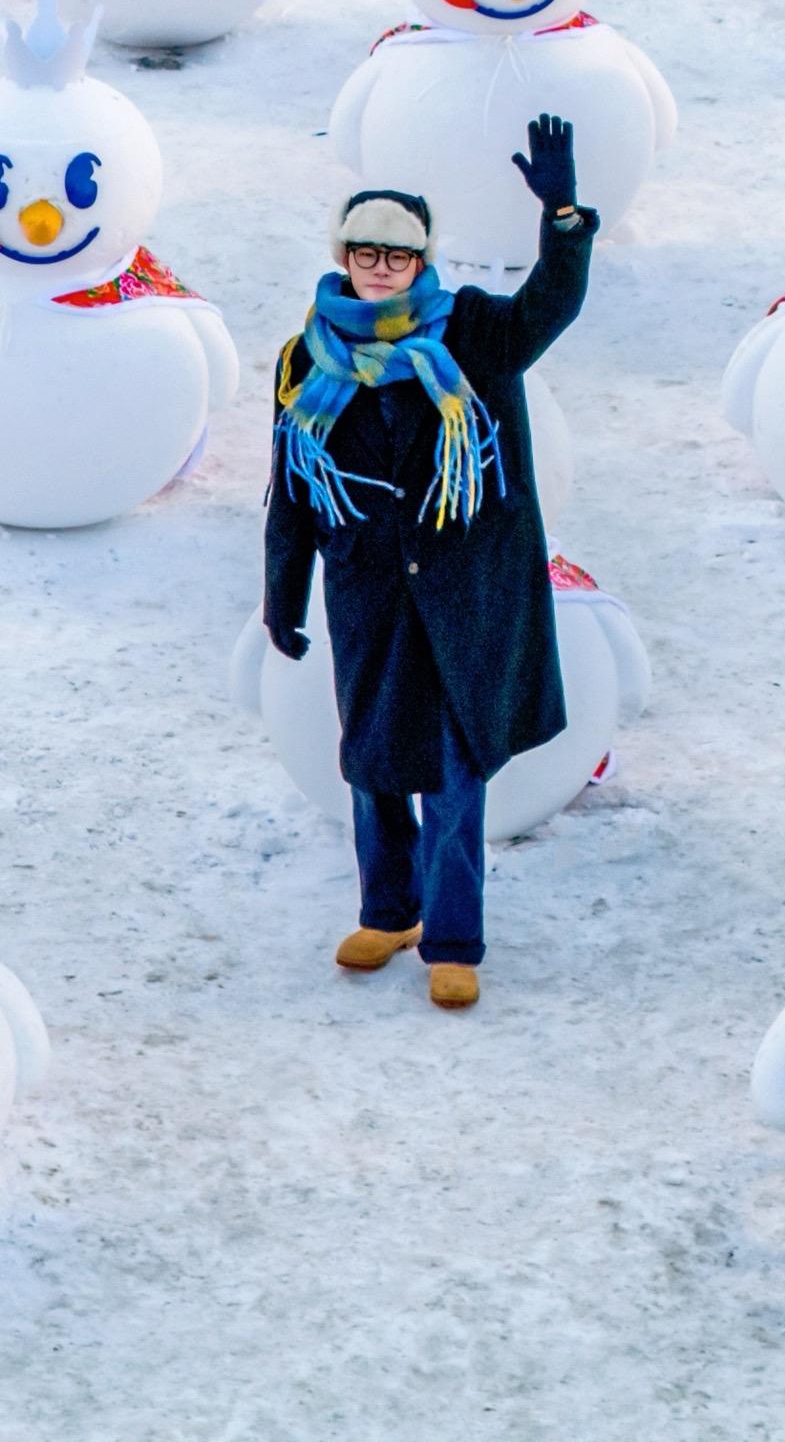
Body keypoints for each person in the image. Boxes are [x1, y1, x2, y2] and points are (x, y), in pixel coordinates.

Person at [263, 114, 595, 1011]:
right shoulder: (308, 357)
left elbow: (550, 308)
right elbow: (292, 485)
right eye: (365, 251)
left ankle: (452, 938)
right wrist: (283, 593)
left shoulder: (476, 335)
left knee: (453, 773)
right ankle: (389, 910)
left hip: (462, 598)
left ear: (421, 261)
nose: (379, 266)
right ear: (343, 254)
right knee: (372, 765)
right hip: (369, 593)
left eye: (397, 254)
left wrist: (562, 216)